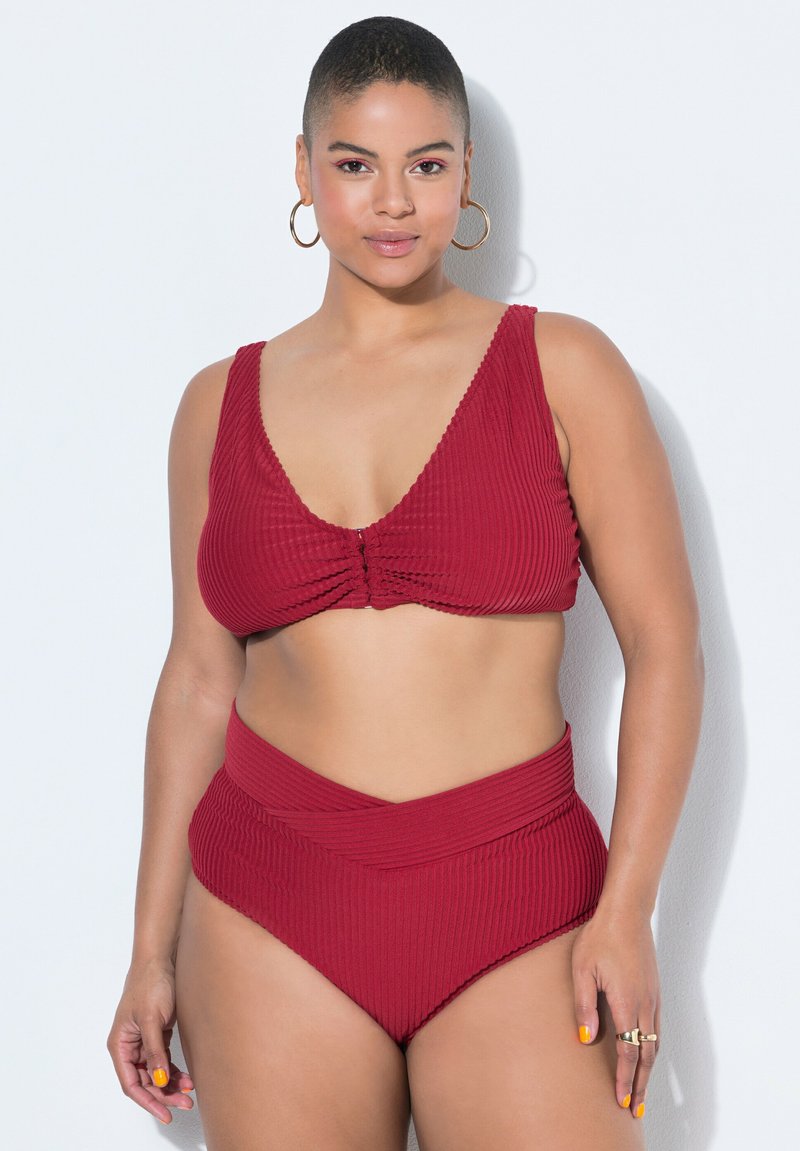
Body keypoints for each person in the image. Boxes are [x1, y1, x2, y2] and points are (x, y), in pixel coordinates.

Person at [106, 15, 704, 1150]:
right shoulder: (214, 406)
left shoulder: (564, 368)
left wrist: (628, 909)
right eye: (354, 164)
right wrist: (147, 948)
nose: (392, 203)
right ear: (303, 170)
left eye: (425, 166)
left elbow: (665, 646)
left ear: (465, 172)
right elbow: (196, 680)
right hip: (270, 900)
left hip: (516, 895)